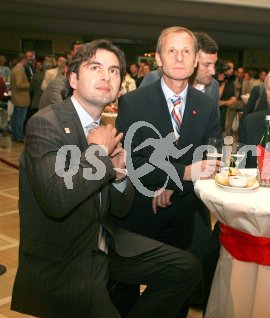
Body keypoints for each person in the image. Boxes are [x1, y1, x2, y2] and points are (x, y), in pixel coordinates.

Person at [11, 39, 201, 318]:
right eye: (95, 67)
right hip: (66, 257)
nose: (106, 76)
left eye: (114, 71)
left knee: (187, 268)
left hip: (104, 242)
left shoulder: (102, 129)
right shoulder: (47, 122)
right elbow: (56, 198)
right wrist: (99, 153)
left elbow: (120, 208)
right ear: (73, 78)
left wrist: (120, 173)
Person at [113, 27, 221, 315]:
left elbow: (210, 160)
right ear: (158, 58)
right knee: (125, 294)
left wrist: (171, 182)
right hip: (138, 212)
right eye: (171, 50)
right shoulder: (133, 102)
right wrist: (182, 172)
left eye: (186, 51)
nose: (179, 57)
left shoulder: (208, 106)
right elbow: (133, 160)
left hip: (185, 215)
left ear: (196, 59)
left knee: (177, 293)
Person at [10, 53, 30, 142]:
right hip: (21, 98)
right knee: (20, 119)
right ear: (23, 60)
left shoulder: (15, 69)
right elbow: (19, 84)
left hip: (16, 97)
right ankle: (19, 136)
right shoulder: (19, 70)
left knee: (15, 118)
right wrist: (29, 84)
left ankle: (15, 135)